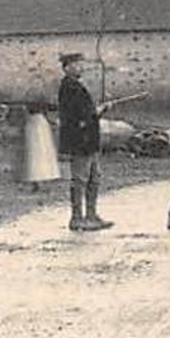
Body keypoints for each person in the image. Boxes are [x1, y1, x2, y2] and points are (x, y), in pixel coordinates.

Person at [58, 52, 118, 231]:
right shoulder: (69, 88)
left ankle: (91, 216)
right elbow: (78, 116)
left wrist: (97, 111)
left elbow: (87, 114)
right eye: (76, 65)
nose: (80, 67)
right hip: (80, 140)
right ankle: (77, 218)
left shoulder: (77, 86)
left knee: (94, 178)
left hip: (89, 141)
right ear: (67, 68)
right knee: (80, 180)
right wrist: (98, 111)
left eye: (81, 64)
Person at [17, 103, 61, 190]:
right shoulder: (42, 102)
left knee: (35, 153)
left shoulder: (29, 102)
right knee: (40, 151)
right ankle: (41, 178)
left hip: (34, 123)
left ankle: (37, 180)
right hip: (39, 124)